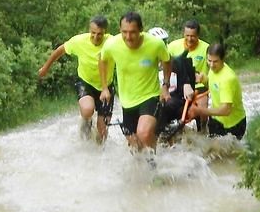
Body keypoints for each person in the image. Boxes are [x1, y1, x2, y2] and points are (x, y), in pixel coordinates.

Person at [99, 12, 171, 152]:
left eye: (132, 32)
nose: (128, 37)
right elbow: (102, 60)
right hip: (127, 100)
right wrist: (104, 88)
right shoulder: (112, 44)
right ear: (120, 30)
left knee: (143, 133)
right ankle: (141, 168)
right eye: (124, 32)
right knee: (134, 146)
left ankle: (152, 163)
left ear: (141, 30)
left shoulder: (155, 44)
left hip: (149, 95)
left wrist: (165, 86)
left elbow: (167, 61)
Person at [38, 15, 115, 143]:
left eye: (100, 34)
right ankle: (85, 127)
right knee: (87, 110)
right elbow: (60, 50)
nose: (96, 37)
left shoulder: (112, 42)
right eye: (93, 33)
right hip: (86, 82)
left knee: (102, 132)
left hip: (106, 87)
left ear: (105, 32)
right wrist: (45, 68)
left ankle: (98, 154)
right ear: (89, 30)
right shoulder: (79, 41)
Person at [148, 27, 196, 143]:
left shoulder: (176, 62)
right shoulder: (146, 64)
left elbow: (185, 82)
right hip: (151, 100)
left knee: (164, 105)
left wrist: (187, 85)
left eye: (164, 43)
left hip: (173, 101)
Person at [190, 43, 247, 140]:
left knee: (224, 154)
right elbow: (215, 87)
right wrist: (204, 80)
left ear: (223, 59)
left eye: (215, 61)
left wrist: (200, 111)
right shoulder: (214, 69)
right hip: (216, 120)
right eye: (209, 60)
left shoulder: (228, 79)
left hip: (233, 125)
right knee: (210, 152)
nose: (211, 65)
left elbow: (226, 110)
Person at [167, 20, 210, 129]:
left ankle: (203, 132)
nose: (190, 39)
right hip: (177, 86)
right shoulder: (172, 46)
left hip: (199, 87)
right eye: (187, 36)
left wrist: (203, 78)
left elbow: (215, 71)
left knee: (202, 110)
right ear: (183, 34)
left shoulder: (206, 48)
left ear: (198, 36)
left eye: (193, 36)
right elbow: (164, 65)